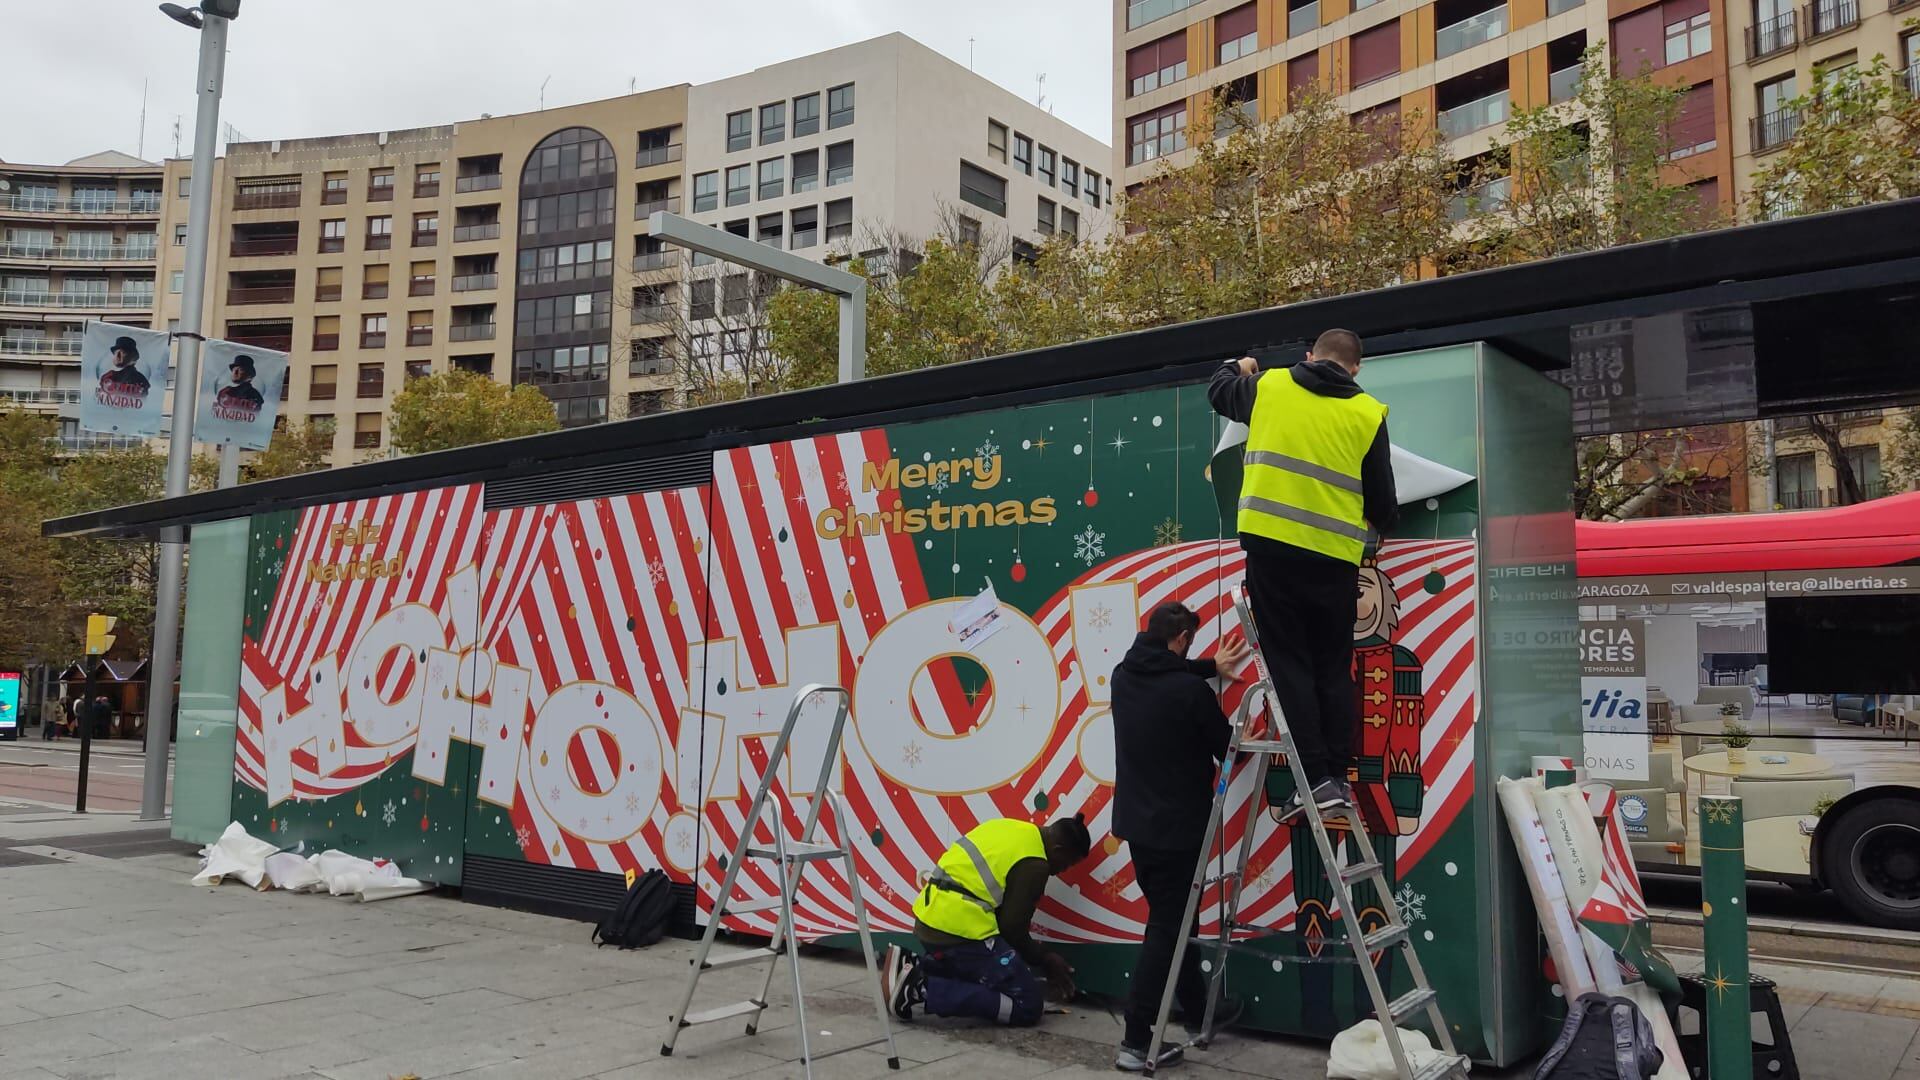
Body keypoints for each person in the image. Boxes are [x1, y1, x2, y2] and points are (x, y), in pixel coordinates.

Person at [1208, 329, 1398, 813]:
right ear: (1356, 368)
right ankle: (1335, 776)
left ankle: (1313, 777)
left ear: (1309, 357)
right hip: (1334, 560)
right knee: (1333, 668)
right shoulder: (1367, 413)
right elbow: (1384, 505)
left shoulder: (1269, 387)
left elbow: (1218, 388)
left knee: (1289, 663)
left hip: (1273, 551)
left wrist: (1242, 363)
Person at [1110, 601, 1252, 1072]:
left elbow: (1162, 670)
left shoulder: (1122, 676)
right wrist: (1250, 733)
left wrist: (1209, 666)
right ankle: (1135, 1040)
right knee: (1168, 929)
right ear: (1182, 639)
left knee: (1177, 922)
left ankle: (1194, 1014)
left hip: (1137, 825)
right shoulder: (1190, 693)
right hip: (1178, 830)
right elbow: (1229, 753)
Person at [881, 814, 1093, 1029]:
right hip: (960, 932)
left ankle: (914, 966)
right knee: (1027, 1005)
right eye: (1066, 864)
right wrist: (1045, 958)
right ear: (1058, 849)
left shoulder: (1011, 828)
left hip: (930, 920)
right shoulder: (1035, 864)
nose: (1061, 872)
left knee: (987, 975)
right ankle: (920, 989)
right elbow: (1012, 929)